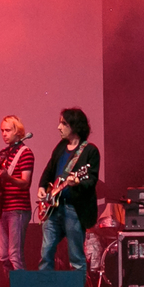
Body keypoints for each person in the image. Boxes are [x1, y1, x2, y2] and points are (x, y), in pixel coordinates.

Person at [37, 107, 100, 272]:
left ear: (75, 126)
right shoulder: (61, 147)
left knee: (76, 257)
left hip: (74, 209)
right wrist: (42, 187)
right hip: (53, 209)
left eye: (63, 123)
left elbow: (91, 180)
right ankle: (45, 286)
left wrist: (78, 181)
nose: (59, 127)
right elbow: (49, 169)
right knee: (46, 252)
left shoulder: (90, 151)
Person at [0, 115, 34, 273]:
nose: (4, 134)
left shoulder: (25, 153)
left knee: (15, 255)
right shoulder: (4, 153)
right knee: (4, 256)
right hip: (4, 209)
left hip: (18, 210)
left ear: (17, 131)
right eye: (2, 130)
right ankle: (13, 285)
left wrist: (8, 178)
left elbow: (26, 182)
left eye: (7, 130)